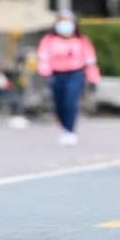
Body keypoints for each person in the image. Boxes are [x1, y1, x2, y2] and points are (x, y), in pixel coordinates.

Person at [37, 10, 100, 146]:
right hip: (56, 74)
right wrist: (45, 74)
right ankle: (63, 127)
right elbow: (43, 58)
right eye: (62, 21)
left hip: (75, 74)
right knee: (59, 104)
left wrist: (93, 78)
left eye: (68, 21)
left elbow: (90, 61)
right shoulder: (48, 40)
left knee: (70, 101)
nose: (65, 25)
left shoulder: (82, 41)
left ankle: (70, 130)